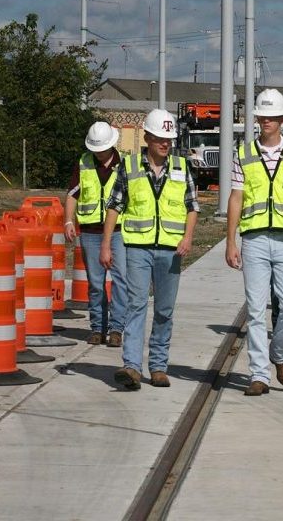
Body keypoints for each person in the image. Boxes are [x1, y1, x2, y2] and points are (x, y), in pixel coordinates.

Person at [225, 88, 283, 396]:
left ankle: (280, 354)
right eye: (261, 116)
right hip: (253, 239)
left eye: (270, 116)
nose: (265, 120)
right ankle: (259, 374)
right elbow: (236, 198)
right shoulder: (245, 153)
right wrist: (230, 241)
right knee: (254, 310)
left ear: (281, 118)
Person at [100, 108, 200, 390]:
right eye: (159, 138)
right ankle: (131, 366)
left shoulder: (182, 168)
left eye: (168, 138)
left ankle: (157, 366)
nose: (165, 143)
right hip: (137, 248)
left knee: (165, 310)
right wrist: (106, 244)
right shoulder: (128, 167)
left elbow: (193, 207)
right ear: (148, 137)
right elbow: (113, 208)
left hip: (171, 250)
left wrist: (188, 238)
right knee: (136, 304)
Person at [64, 121, 128, 348]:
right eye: (95, 150)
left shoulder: (125, 165)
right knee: (96, 283)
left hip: (120, 231)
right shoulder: (84, 163)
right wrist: (69, 220)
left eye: (102, 149)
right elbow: (73, 193)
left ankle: (117, 329)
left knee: (120, 281)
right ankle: (97, 328)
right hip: (90, 231)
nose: (99, 154)